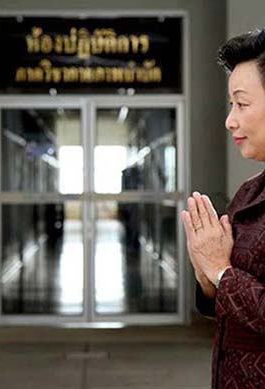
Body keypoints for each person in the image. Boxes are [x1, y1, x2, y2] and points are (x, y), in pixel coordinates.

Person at [181, 28, 265, 388]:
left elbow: (228, 275)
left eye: (242, 104)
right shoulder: (249, 192)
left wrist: (221, 272)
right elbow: (230, 307)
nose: (230, 120)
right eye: (232, 105)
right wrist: (207, 276)